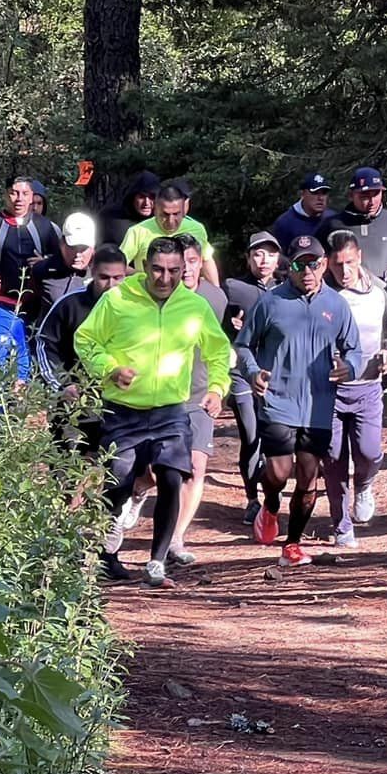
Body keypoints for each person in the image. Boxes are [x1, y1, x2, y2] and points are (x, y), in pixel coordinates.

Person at [75, 237, 232, 589]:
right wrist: (110, 368)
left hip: (170, 410)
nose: (165, 278)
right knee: (120, 478)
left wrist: (217, 389)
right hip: (123, 409)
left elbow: (220, 351)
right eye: (158, 269)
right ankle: (104, 555)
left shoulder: (194, 307)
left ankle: (157, 561)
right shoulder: (118, 300)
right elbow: (85, 340)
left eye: (174, 270)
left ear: (185, 269)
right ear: (145, 265)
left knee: (173, 476)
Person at [235, 235, 358, 567]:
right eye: (300, 264)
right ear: (289, 267)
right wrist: (252, 372)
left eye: (314, 264)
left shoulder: (337, 305)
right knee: (278, 470)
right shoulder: (271, 303)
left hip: (319, 406)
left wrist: (351, 367)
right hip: (278, 400)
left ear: (324, 265)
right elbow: (243, 344)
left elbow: (354, 350)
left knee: (308, 476)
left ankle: (292, 543)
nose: (308, 271)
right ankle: (271, 503)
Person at [323, 228, 387, 546]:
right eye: (337, 264)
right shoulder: (321, 295)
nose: (344, 271)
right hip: (330, 391)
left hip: (368, 386)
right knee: (333, 458)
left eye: (349, 262)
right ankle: (342, 526)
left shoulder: (379, 291)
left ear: (360, 258)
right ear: (328, 262)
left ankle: (364, 485)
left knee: (368, 452)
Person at [34, 245, 131, 461]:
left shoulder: (136, 308)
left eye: (118, 278)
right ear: (92, 272)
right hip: (75, 399)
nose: (111, 285)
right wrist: (61, 384)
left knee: (118, 469)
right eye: (104, 277)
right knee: (68, 469)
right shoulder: (70, 304)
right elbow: (45, 344)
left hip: (121, 402)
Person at [166, 238, 230, 563]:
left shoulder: (215, 298)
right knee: (154, 469)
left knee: (195, 466)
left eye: (194, 261)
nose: (188, 268)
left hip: (200, 394)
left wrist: (218, 388)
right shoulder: (158, 297)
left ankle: (175, 539)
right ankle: (136, 496)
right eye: (183, 262)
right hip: (161, 395)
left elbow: (219, 349)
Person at [223, 230, 284, 534]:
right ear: (248, 258)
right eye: (257, 254)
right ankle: (252, 498)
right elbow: (218, 330)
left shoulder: (287, 288)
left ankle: (272, 490)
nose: (264, 260)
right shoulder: (233, 289)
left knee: (274, 436)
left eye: (270, 254)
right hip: (241, 373)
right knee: (251, 435)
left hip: (275, 375)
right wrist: (231, 326)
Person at [0, 176, 64, 324]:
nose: (19, 199)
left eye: (25, 194)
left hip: (37, 304)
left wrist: (46, 262)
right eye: (14, 193)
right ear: (5, 195)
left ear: (31, 196)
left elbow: (65, 261)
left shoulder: (47, 227)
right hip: (0, 302)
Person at [324, 167, 387, 283]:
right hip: (343, 294)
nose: (372, 201)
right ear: (351, 195)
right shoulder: (333, 224)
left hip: (385, 295)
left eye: (376, 194)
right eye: (364, 196)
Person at [120, 181, 217, 278]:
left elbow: (206, 260)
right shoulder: (137, 231)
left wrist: (217, 290)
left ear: (183, 210)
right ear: (155, 210)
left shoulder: (197, 228)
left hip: (189, 290)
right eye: (165, 215)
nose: (171, 221)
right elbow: (119, 265)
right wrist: (146, 277)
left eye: (176, 214)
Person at [40, 213, 101, 305]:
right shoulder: (42, 270)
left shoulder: (104, 275)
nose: (78, 254)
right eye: (73, 247)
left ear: (93, 247)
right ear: (62, 244)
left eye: (84, 248)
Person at [269, 172, 334, 253]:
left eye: (324, 193)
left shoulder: (333, 219)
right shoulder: (285, 223)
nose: (320, 198)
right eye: (315, 193)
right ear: (302, 194)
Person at [102, 169, 161, 250]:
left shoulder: (164, 220)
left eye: (151, 197)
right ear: (132, 197)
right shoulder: (110, 217)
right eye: (141, 197)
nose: (146, 203)